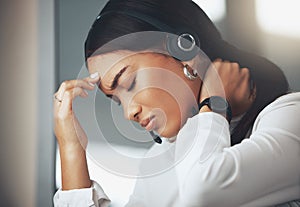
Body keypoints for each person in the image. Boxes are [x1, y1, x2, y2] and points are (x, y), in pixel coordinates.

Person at [53, 0, 300, 206]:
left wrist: (215, 102)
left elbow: (203, 191)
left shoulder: (290, 117)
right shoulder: (166, 155)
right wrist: (71, 147)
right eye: (117, 101)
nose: (129, 112)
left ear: (184, 49)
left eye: (130, 83)